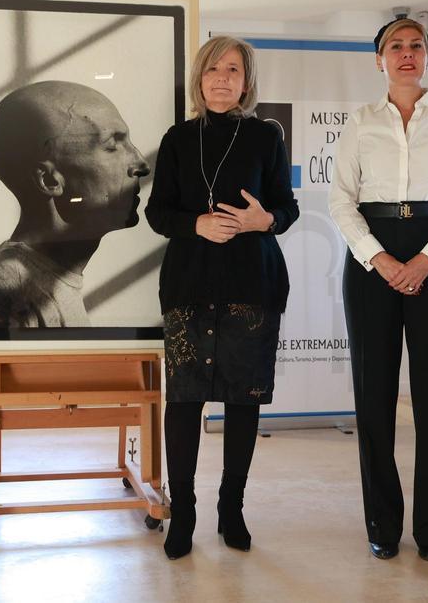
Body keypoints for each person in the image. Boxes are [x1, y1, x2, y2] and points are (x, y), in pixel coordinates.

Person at [328, 17, 428, 563]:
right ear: (379, 59)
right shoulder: (360, 122)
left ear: (427, 55)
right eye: (396, 46)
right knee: (373, 401)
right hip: (373, 257)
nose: (407, 54)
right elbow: (341, 200)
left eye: (417, 45)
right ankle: (382, 526)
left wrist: (424, 259)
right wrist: (380, 259)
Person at [145, 35, 298, 560]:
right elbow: (157, 213)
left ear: (246, 80)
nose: (221, 79)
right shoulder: (178, 139)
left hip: (251, 286)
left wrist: (266, 220)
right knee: (184, 402)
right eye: (213, 69)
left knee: (242, 399)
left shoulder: (265, 137)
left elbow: (287, 208)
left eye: (233, 70)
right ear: (199, 77)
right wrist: (197, 224)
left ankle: (231, 508)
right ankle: (182, 513)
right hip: (189, 286)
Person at [0, 81, 150, 332]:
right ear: (49, 180)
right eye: (112, 146)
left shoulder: (48, 280)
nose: (142, 164)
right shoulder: (3, 294)